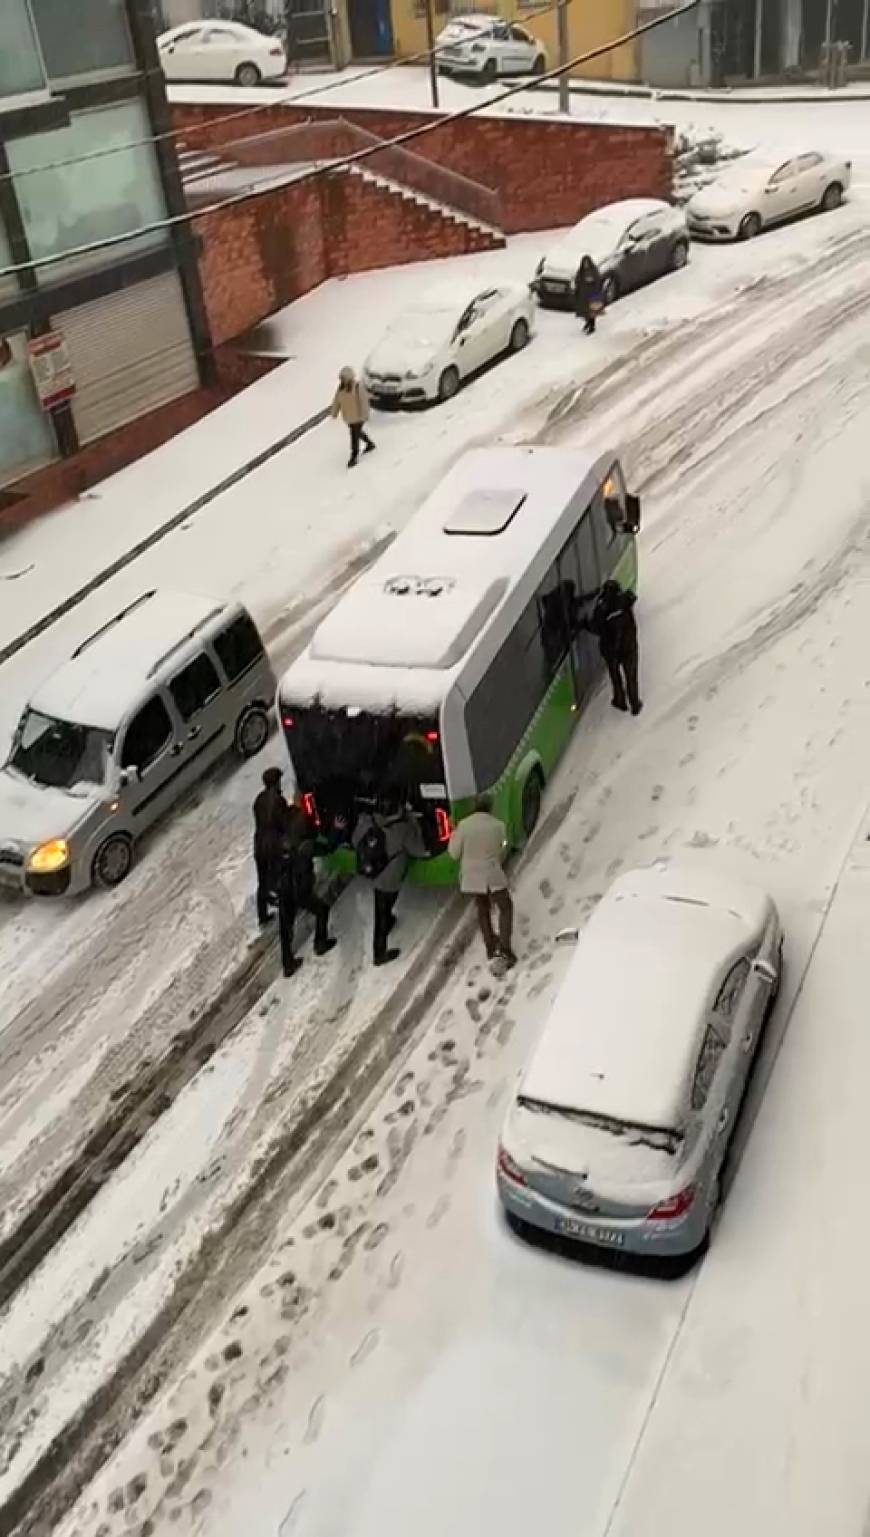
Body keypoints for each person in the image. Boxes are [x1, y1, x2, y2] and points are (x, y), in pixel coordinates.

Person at [352, 795, 427, 966]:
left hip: (375, 872)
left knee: (382, 905)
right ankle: (379, 953)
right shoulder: (402, 829)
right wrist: (414, 824)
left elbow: (356, 839)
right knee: (382, 909)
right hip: (390, 877)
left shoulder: (371, 822)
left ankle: (387, 922)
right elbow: (419, 850)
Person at [448, 795, 516, 967]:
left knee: (483, 909)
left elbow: (454, 853)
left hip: (471, 877)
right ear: (490, 808)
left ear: (475, 807)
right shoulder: (498, 825)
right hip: (492, 873)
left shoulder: (464, 825)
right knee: (505, 907)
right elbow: (503, 845)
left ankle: (490, 946)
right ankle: (506, 949)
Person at [276, 797, 337, 977]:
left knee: (285, 926)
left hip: (284, 887)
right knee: (322, 910)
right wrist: (336, 830)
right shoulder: (306, 844)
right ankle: (320, 943)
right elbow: (327, 849)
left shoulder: (283, 840)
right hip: (300, 889)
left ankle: (287, 963)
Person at [587, 578, 642, 715]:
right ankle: (635, 704)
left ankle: (620, 701)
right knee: (631, 676)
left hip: (611, 652)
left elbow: (595, 627)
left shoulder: (601, 609)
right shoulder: (624, 600)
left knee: (615, 676)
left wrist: (583, 624)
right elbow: (632, 597)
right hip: (629, 647)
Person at [252, 766, 292, 927]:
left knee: (262, 880)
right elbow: (283, 824)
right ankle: (285, 906)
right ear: (276, 783)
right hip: (273, 845)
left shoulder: (258, 800)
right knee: (280, 876)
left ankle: (262, 915)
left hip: (259, 844)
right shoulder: (279, 801)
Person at [330, 366, 376, 469]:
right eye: (341, 378)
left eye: (344, 378)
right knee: (357, 433)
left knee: (354, 435)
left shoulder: (357, 387)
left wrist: (365, 415)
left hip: (358, 417)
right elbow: (337, 401)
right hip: (349, 417)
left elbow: (364, 402)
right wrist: (334, 412)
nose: (342, 380)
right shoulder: (341, 388)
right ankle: (369, 443)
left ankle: (354, 456)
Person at [573, 255, 604, 335]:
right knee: (585, 311)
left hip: (593, 294)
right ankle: (588, 323)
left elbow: (598, 280)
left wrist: (591, 281)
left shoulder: (594, 270)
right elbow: (577, 280)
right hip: (584, 295)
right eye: (584, 263)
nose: (586, 265)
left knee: (592, 311)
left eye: (587, 263)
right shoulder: (581, 271)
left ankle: (592, 327)